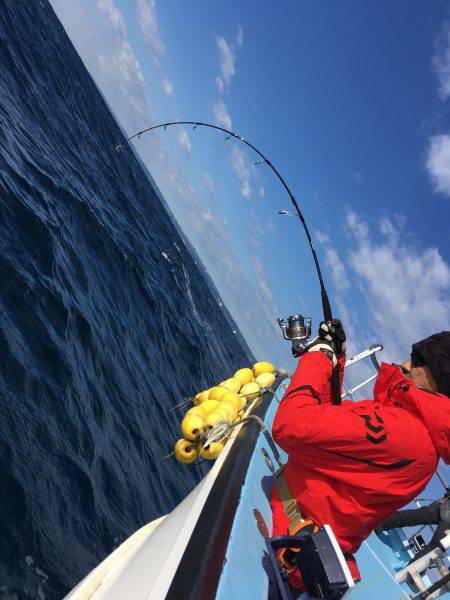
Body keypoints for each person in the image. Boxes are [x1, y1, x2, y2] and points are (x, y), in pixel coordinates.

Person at [270, 324, 450, 589]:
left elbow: (290, 425)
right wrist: (336, 361)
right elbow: (327, 431)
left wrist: (319, 356)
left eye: (421, 361)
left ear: (441, 383)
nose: (406, 363)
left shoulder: (405, 434)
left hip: (287, 545)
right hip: (294, 529)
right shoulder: (407, 426)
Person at [376, 493, 450, 561]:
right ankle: (409, 571)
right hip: (445, 507)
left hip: (444, 505)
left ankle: (378, 523)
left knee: (412, 516)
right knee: (436, 548)